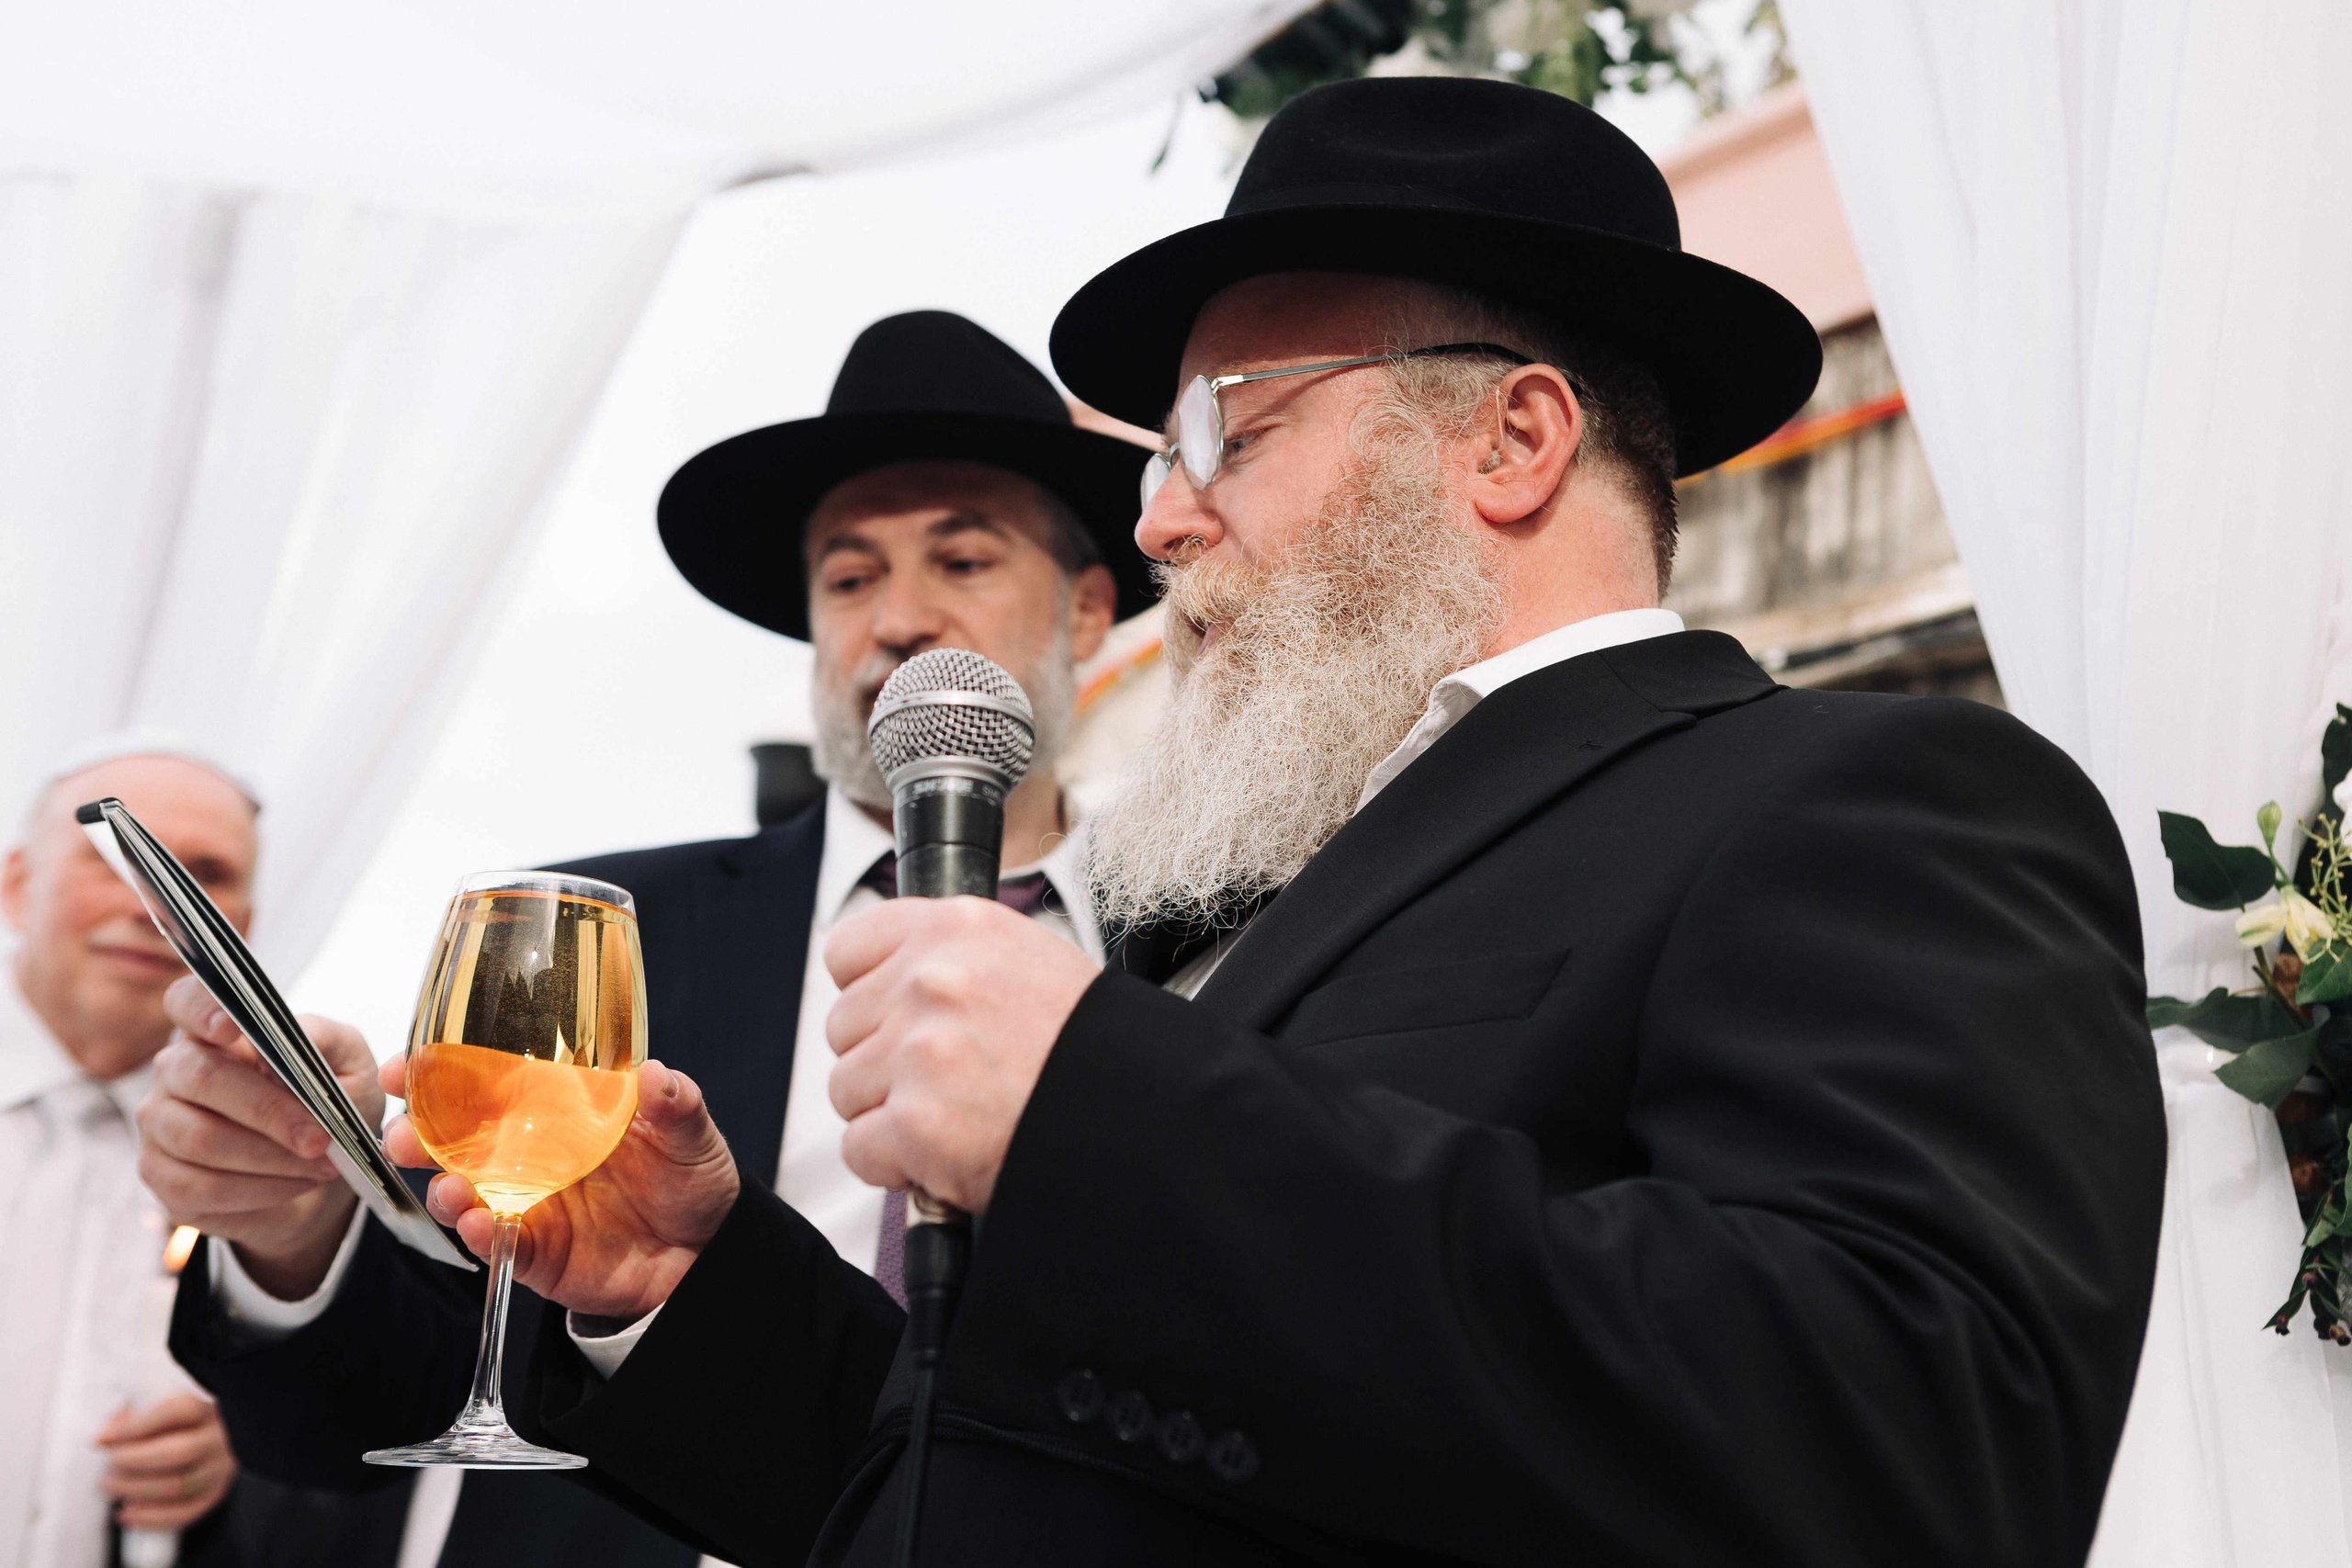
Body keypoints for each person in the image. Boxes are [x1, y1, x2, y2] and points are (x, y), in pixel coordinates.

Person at [408, 78, 2171, 1568]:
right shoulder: (1260, 887)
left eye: (1219, 433)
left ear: (1511, 439)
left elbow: (1916, 1435)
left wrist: (1102, 1104)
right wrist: (681, 1281)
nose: (1163, 522)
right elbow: (1027, 1474)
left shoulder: (1870, 800)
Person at [145, 311, 1154, 1568]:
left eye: (962, 560)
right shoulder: (595, 939)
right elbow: (383, 1390)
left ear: (1087, 609)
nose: (898, 618)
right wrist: (292, 1228)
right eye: (848, 578)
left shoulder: (1207, 948)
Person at [1, 745, 255, 1567]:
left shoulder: (279, 1163)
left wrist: (249, 1436)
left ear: (245, 925)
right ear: (15, 884)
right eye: (117, 859)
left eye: (206, 874)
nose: (159, 905)